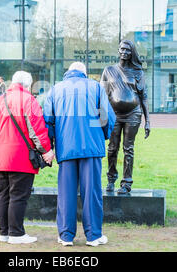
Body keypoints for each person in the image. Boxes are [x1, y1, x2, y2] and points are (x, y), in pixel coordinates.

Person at [43, 62, 116, 247]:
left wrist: (51, 145)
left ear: (68, 72)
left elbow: (48, 121)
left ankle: (66, 236)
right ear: (84, 73)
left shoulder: (55, 90)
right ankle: (93, 236)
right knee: (91, 192)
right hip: (90, 146)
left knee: (66, 192)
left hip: (66, 147)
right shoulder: (96, 87)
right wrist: (102, 135)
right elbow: (106, 117)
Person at [0, 71, 54, 244]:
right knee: (18, 196)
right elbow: (37, 131)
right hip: (20, 156)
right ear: (28, 85)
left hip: (0, 156)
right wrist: (46, 151)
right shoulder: (28, 100)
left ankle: (5, 233)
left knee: (3, 194)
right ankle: (16, 234)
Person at [100, 40, 151, 194]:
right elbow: (102, 96)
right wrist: (101, 119)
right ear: (118, 50)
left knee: (128, 149)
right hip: (114, 114)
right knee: (112, 148)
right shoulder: (108, 71)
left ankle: (126, 183)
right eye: (122, 49)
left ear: (132, 53)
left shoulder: (138, 72)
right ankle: (110, 180)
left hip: (133, 114)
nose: (124, 52)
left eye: (128, 50)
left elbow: (144, 97)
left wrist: (148, 121)